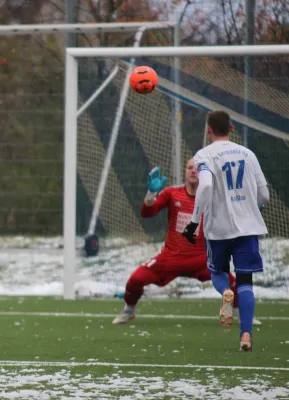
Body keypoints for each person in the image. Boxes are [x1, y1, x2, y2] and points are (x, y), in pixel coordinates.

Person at [113, 159, 258, 325]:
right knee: (136, 279)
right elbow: (147, 213)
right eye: (190, 168)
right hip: (171, 258)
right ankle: (128, 310)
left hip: (201, 259)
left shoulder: (213, 198)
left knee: (232, 282)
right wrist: (150, 195)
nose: (193, 171)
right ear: (185, 172)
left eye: (198, 168)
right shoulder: (172, 193)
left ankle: (243, 315)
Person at [182, 111, 269, 352]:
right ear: (230, 128)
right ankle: (246, 335)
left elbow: (206, 184)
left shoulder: (205, 155)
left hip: (218, 228)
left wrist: (193, 221)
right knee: (246, 281)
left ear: (209, 130)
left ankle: (225, 292)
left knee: (218, 272)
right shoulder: (248, 154)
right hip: (248, 227)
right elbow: (264, 195)